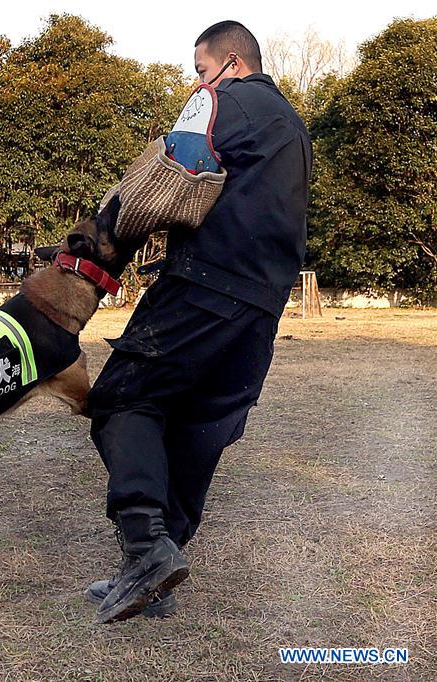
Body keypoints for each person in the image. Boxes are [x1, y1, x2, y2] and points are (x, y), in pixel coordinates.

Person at [85, 20, 312, 624]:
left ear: (231, 62)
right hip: (263, 306)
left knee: (121, 399)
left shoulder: (222, 100)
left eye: (201, 69)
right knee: (199, 428)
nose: (197, 82)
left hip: (204, 285)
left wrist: (105, 237)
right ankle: (155, 577)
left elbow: (170, 172)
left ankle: (144, 546)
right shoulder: (294, 127)